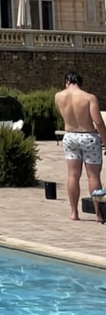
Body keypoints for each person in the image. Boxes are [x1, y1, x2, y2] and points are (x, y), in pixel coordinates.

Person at [54, 72, 106, 223]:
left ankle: (74, 212)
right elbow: (98, 122)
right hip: (88, 136)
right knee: (93, 176)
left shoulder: (58, 96)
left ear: (67, 82)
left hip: (70, 136)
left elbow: (63, 114)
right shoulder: (89, 98)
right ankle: (98, 214)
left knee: (73, 175)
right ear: (80, 83)